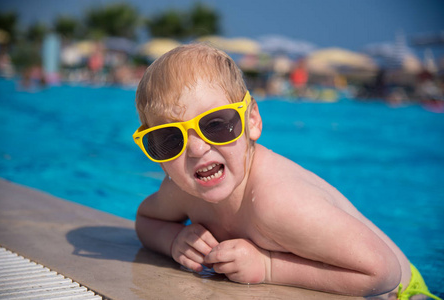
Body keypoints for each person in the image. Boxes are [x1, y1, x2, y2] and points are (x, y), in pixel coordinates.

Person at [133, 43, 441, 300]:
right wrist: (173, 240)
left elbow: (382, 272)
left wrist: (267, 267)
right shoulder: (179, 191)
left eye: (216, 124)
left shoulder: (277, 201)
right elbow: (146, 220)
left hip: (402, 292)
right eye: (170, 139)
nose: (197, 149)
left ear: (252, 121)